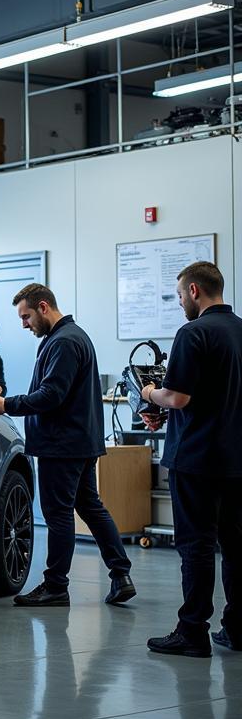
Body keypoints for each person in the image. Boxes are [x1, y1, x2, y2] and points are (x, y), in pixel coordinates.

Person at [0, 283, 135, 607]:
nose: (24, 324)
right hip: (80, 442)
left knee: (58, 514)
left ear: (43, 307)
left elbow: (51, 396)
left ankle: (56, 586)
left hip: (61, 446)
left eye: (26, 316)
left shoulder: (63, 342)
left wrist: (5, 404)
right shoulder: (71, 337)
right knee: (90, 506)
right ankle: (121, 574)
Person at [138, 261, 242, 657]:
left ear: (194, 291)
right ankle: (237, 627)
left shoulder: (193, 332)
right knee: (236, 545)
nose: (180, 301)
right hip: (237, 459)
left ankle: (192, 630)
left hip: (197, 460)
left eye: (180, 295)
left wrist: (150, 394)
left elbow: (179, 396)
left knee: (196, 545)